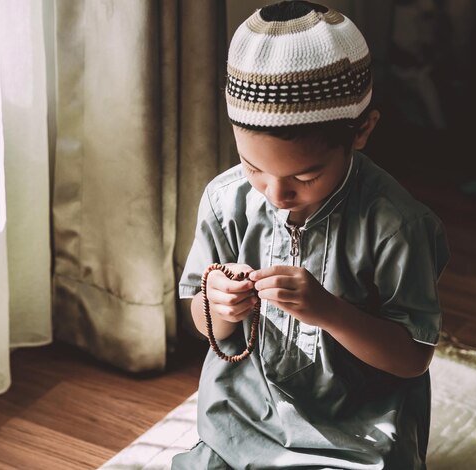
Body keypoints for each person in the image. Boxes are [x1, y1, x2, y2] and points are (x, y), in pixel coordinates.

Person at [173, 1, 450, 468]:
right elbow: (206, 327)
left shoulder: (396, 226)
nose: (277, 193)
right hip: (243, 417)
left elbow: (412, 357)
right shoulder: (226, 202)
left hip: (357, 433)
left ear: (361, 132)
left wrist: (328, 311)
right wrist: (218, 306)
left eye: (305, 176)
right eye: (254, 167)